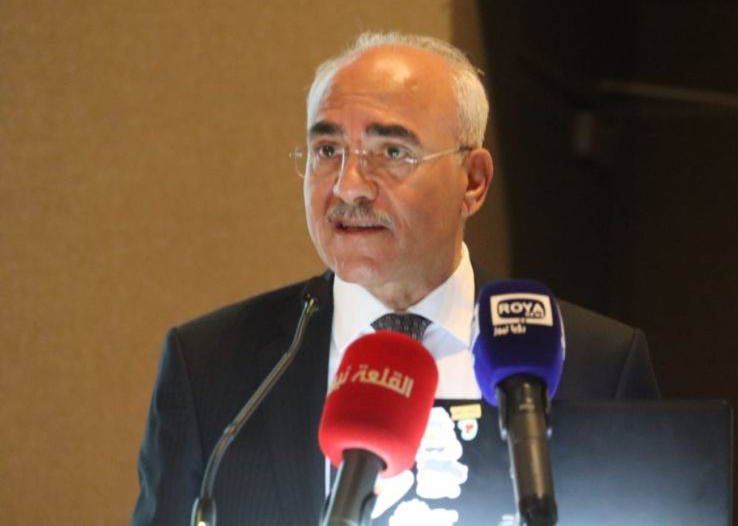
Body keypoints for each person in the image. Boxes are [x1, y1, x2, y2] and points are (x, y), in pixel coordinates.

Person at [132, 32, 659, 525]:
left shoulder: (598, 366)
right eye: (327, 151)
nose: (349, 187)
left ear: (473, 182)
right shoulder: (213, 367)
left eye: (391, 153)